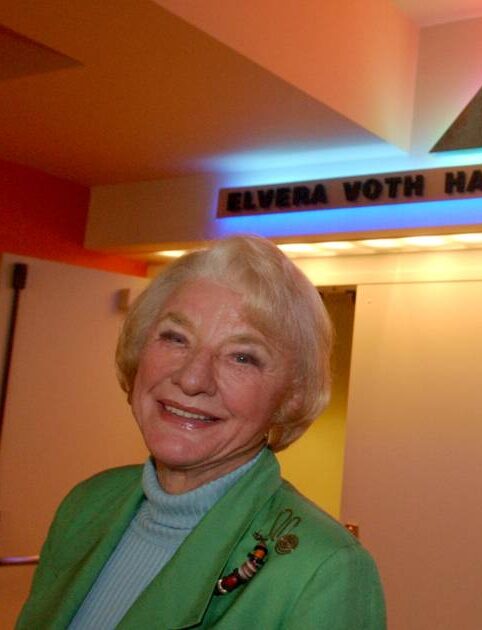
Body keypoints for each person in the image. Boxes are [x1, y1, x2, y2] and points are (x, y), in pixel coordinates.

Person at [17, 235, 385, 629]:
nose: (192, 379)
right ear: (139, 350)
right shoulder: (87, 504)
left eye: (242, 357)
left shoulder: (325, 571)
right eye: (176, 338)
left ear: (290, 397)